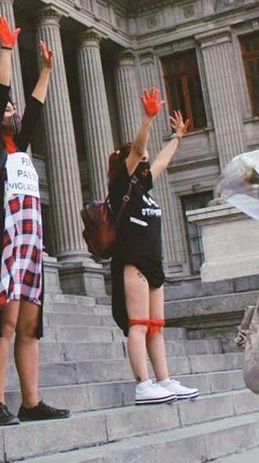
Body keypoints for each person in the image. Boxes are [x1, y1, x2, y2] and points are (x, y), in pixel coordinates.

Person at [0, 16, 70, 427]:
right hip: (2, 245)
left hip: (29, 248)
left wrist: (45, 71)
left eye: (13, 109)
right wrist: (6, 51)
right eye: (6, 108)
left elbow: (37, 111)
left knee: (29, 326)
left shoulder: (20, 146)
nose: (11, 110)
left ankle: (31, 401)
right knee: (2, 326)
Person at [107, 88, 200, 405]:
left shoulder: (143, 188)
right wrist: (147, 120)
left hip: (153, 264)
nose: (145, 162)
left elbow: (160, 161)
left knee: (156, 326)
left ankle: (164, 380)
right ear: (127, 163)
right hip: (132, 262)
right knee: (138, 325)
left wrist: (176, 138)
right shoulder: (122, 185)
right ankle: (143, 384)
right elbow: (139, 149)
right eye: (138, 160)